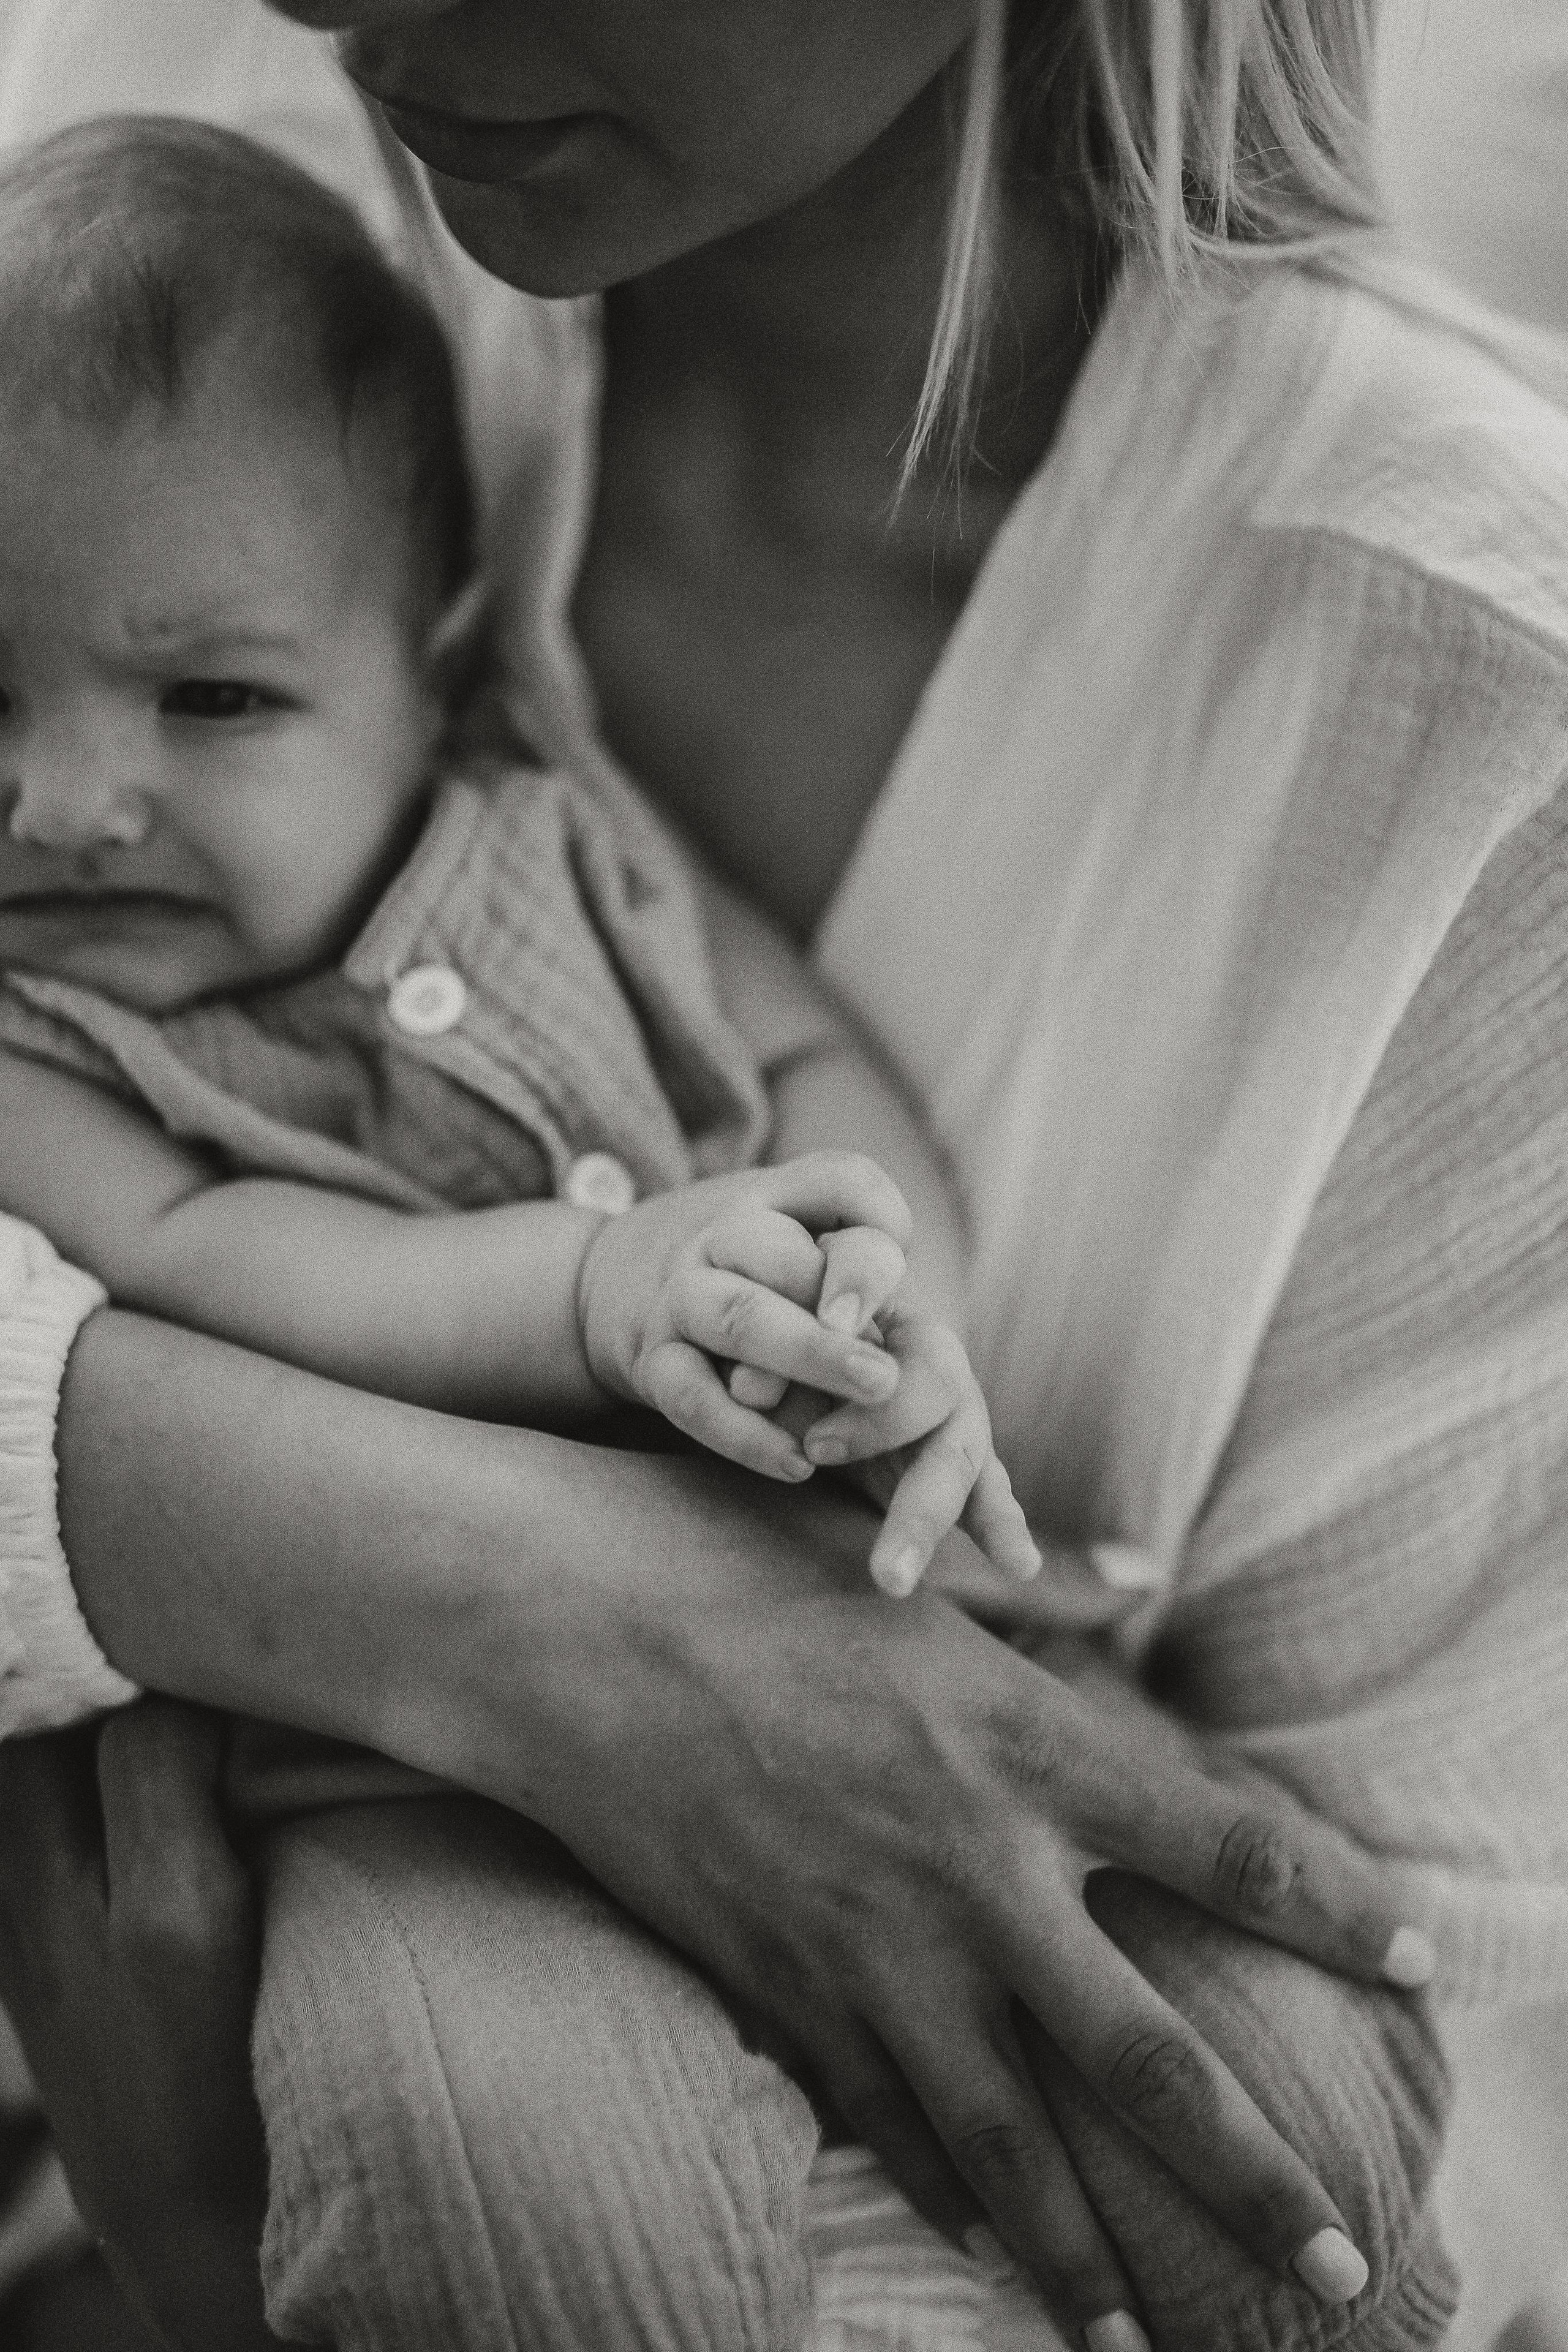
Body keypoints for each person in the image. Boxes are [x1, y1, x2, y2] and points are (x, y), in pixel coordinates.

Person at [0, 1, 1564, 2347]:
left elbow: (1490, 2073)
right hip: (375, 1841)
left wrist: (877, 1298)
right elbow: (191, 1244)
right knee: (507, 2203)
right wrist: (521, 1543)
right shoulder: (159, 197)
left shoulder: (1473, 695)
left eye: (212, 700)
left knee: (1307, 2145)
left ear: (437, 653)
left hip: (973, 1675)